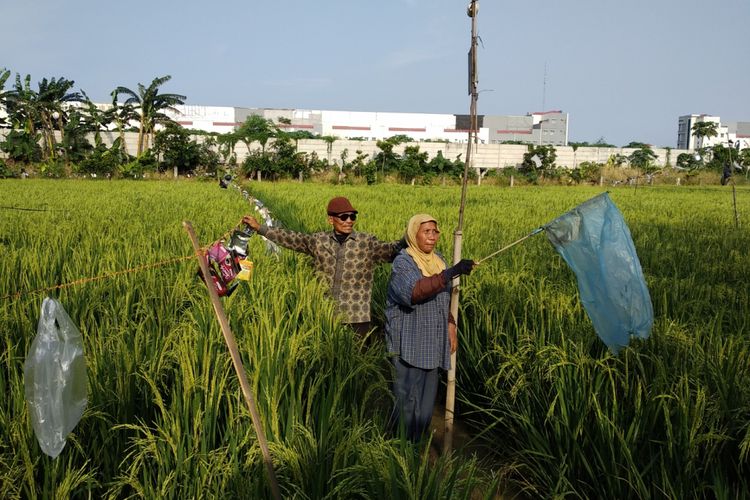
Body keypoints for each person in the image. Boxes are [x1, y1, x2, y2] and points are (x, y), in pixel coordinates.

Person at [242, 196, 405, 338]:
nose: (349, 220)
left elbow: (391, 251)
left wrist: (411, 237)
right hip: (325, 315)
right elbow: (292, 239)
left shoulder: (366, 243)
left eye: (352, 216)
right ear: (331, 219)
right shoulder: (319, 240)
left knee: (355, 362)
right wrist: (260, 228)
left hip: (357, 317)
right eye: (344, 217)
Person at [384, 213, 474, 442]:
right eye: (427, 231)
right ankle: (397, 447)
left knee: (425, 403)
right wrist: (451, 273)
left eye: (435, 231)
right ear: (414, 234)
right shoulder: (403, 262)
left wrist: (451, 324)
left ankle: (416, 446)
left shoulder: (439, 260)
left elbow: (445, 299)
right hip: (408, 342)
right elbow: (414, 292)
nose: (432, 236)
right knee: (406, 400)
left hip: (432, 342)